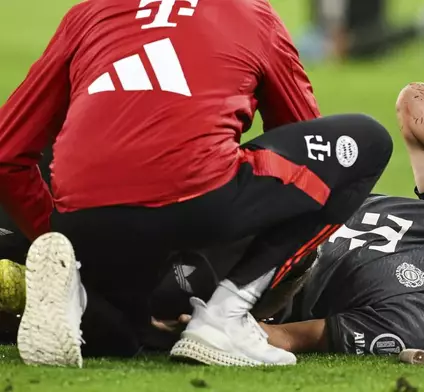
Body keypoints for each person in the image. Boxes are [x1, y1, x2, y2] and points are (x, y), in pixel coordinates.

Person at [2, 82, 424, 356]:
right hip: (236, 208)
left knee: (61, 251)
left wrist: (186, 328)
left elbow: (296, 336)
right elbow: (417, 104)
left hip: (231, 272)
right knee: (71, 173)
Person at [0, 0, 393, 368]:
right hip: (199, 204)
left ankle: (78, 288)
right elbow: (303, 134)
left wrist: (54, 236)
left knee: (128, 337)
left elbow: (7, 153)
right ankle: (226, 316)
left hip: (83, 217)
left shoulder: (89, 12)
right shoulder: (252, 13)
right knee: (366, 142)